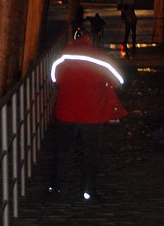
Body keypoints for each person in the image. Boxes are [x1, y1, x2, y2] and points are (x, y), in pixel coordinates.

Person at [48, 33, 126, 202]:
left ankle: (55, 187)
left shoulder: (63, 56)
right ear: (90, 42)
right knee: (91, 153)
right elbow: (118, 80)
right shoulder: (99, 56)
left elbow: (55, 78)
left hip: (66, 111)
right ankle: (88, 190)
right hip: (92, 112)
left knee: (63, 151)